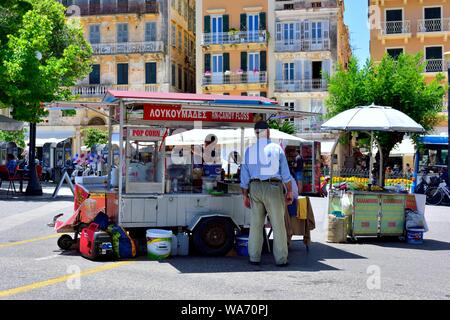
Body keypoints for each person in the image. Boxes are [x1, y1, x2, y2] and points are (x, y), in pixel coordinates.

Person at [240, 120, 293, 267]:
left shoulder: (249, 150)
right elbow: (286, 175)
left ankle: (254, 257)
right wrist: (289, 191)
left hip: (255, 187)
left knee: (256, 225)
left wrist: (245, 195)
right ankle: (281, 259)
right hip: (273, 187)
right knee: (278, 225)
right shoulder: (276, 149)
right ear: (268, 132)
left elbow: (244, 176)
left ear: (256, 133)